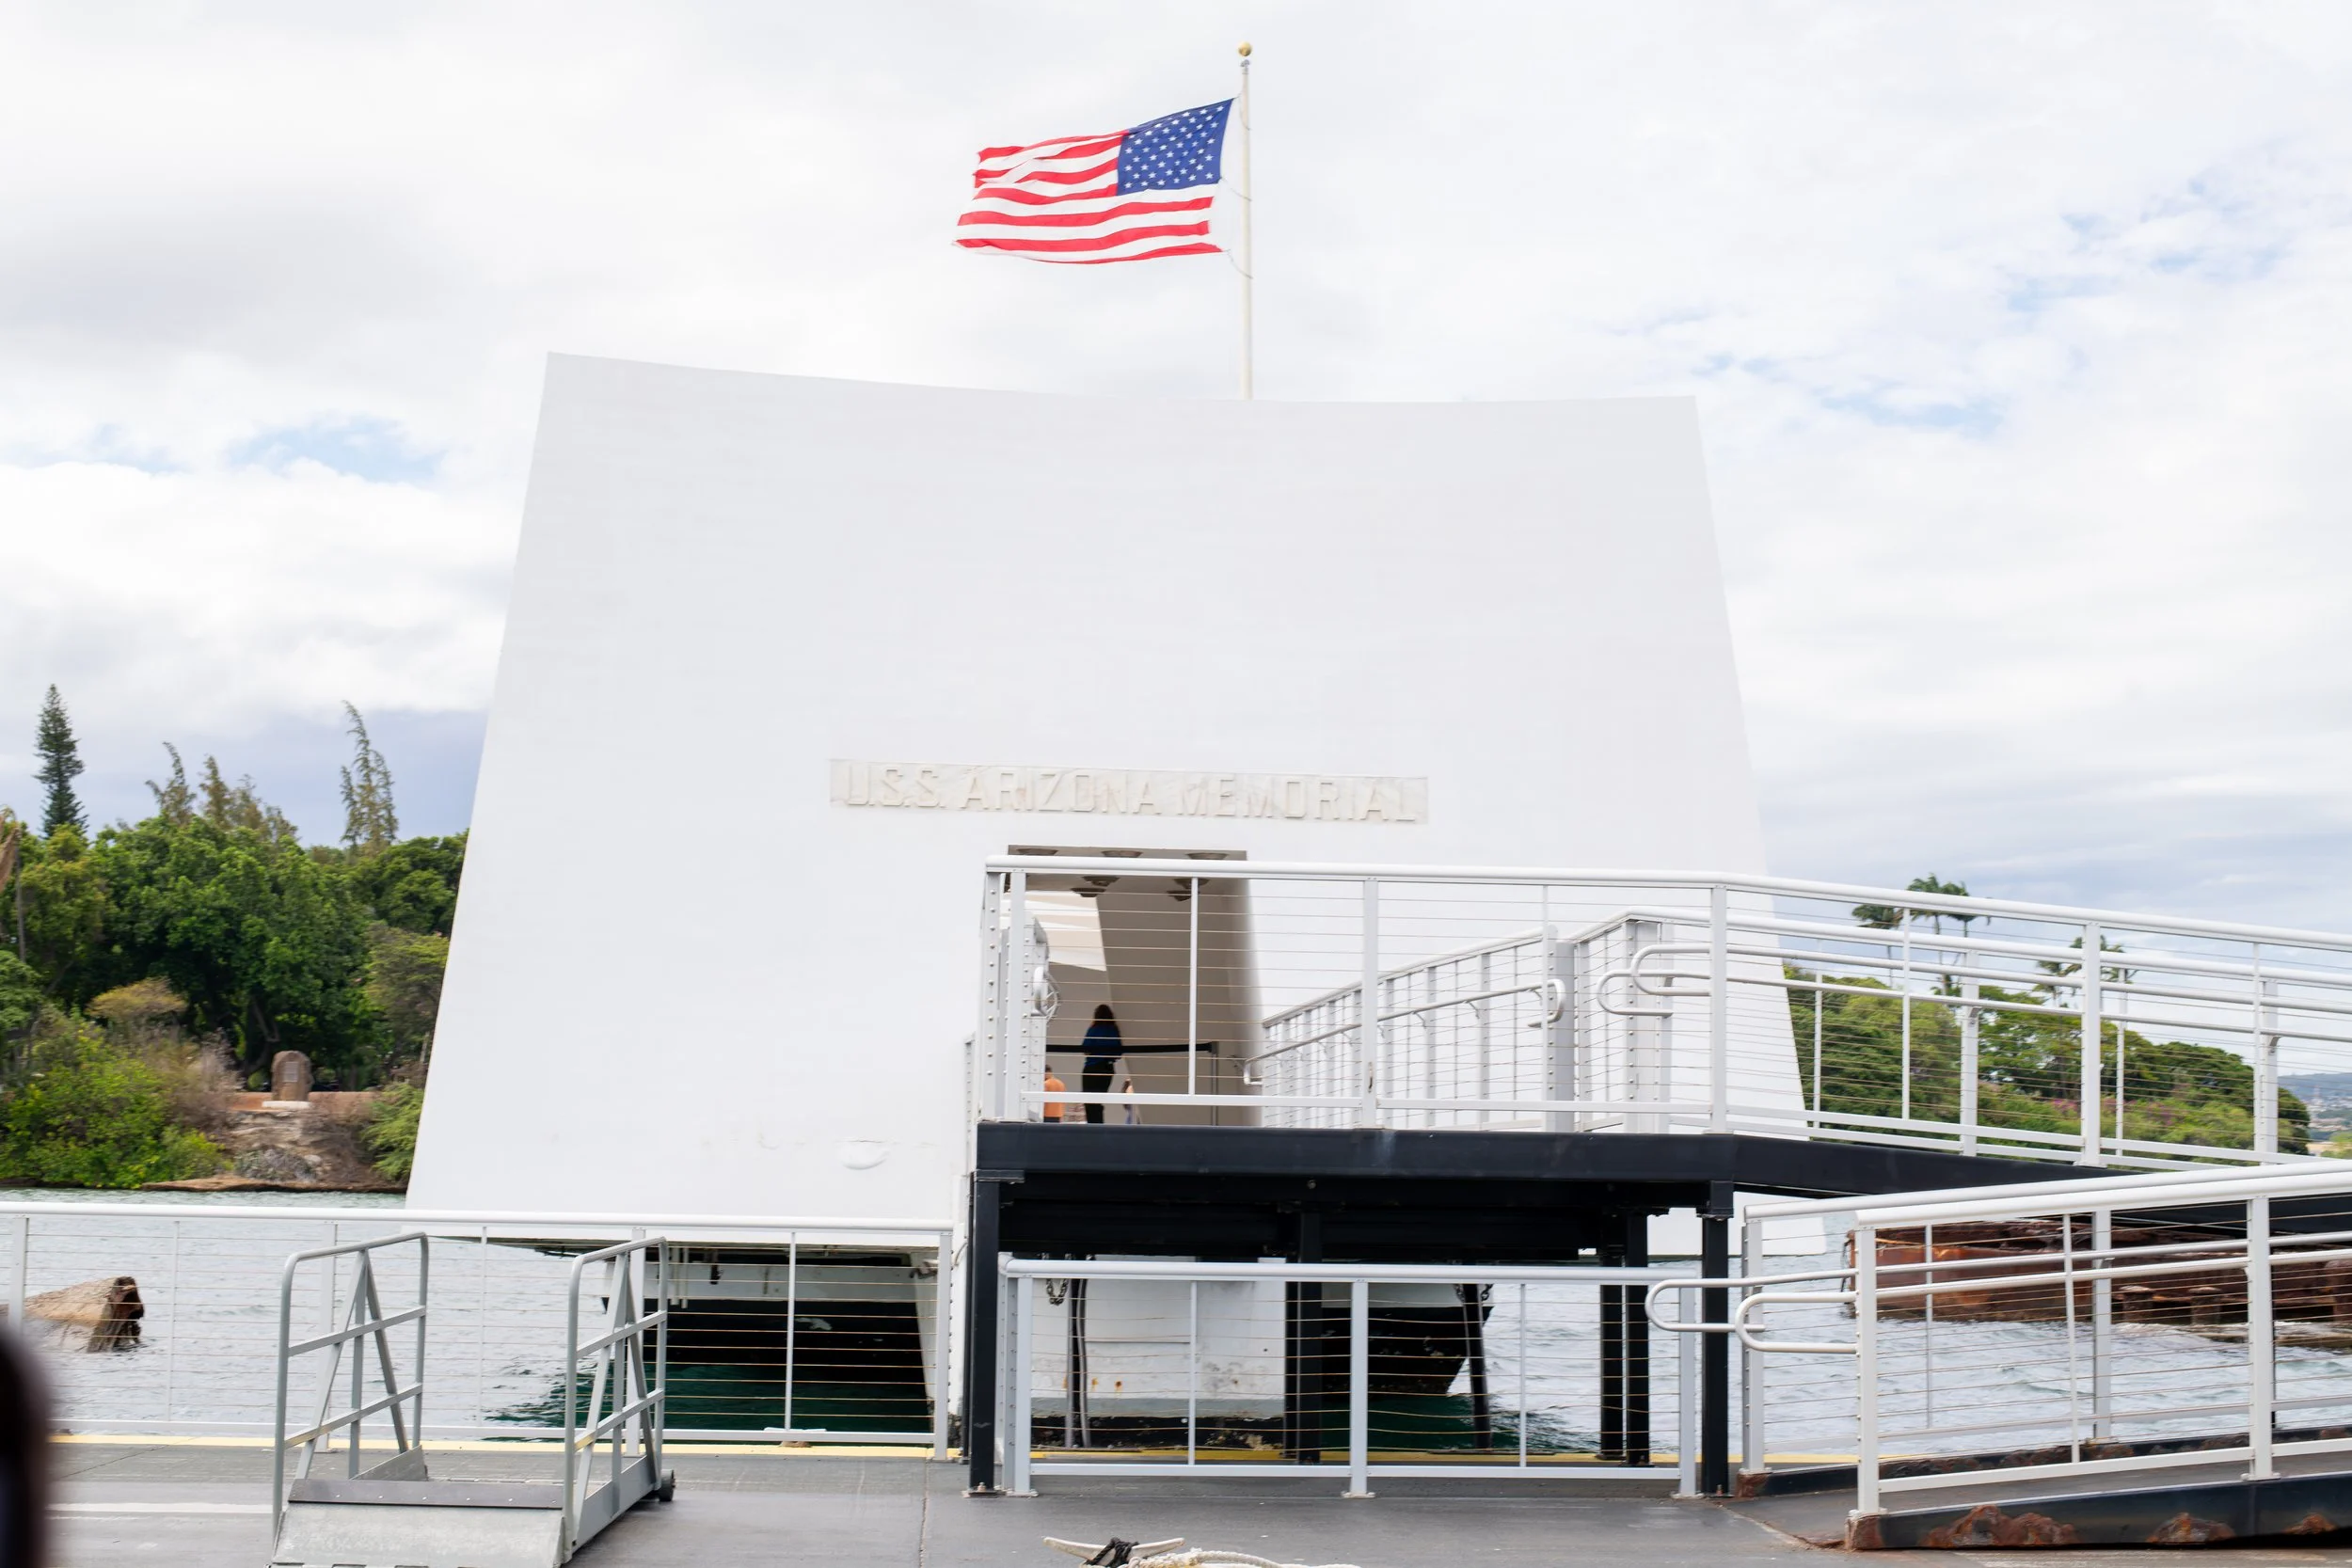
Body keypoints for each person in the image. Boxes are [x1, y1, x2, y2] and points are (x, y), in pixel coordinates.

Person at [1080, 1005, 1123, 1125]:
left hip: (1092, 1067)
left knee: (1089, 1101)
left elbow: (1085, 1048)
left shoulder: (1094, 1029)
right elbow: (1118, 1052)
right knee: (1098, 1101)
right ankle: (1099, 1127)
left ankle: (1093, 1128)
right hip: (1107, 1068)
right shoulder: (1114, 1030)